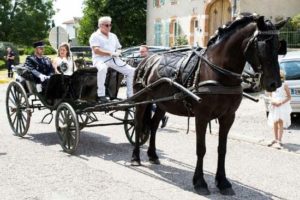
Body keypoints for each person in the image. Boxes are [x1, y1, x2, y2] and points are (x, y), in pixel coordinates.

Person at [89, 16, 135, 103]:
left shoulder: (113, 36)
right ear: (100, 26)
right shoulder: (95, 36)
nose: (109, 27)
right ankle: (101, 95)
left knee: (131, 71)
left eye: (110, 25)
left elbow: (119, 47)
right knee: (103, 68)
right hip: (100, 59)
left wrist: (117, 52)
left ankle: (130, 95)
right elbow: (96, 50)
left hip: (114, 59)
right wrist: (110, 53)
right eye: (107, 25)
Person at [139, 45, 169, 128]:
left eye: (143, 52)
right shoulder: (143, 60)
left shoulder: (150, 60)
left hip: (151, 85)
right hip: (146, 85)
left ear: (147, 52)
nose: (141, 53)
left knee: (151, 102)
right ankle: (162, 117)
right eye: (140, 51)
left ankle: (163, 117)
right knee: (152, 103)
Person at [266, 70, 292, 149]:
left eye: (280, 77)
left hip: (281, 106)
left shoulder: (284, 85)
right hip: (274, 106)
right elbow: (270, 95)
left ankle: (279, 141)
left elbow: (289, 97)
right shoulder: (272, 85)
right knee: (274, 122)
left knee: (280, 122)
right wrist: (272, 101)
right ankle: (275, 139)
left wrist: (280, 103)